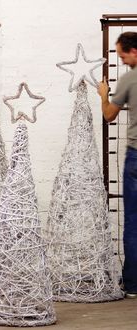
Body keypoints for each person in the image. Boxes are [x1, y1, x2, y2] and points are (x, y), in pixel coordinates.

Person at [98, 31, 137, 299]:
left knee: (134, 222)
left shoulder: (129, 78)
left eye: (122, 54)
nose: (121, 59)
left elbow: (109, 115)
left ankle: (133, 285)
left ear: (133, 51)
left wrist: (104, 94)